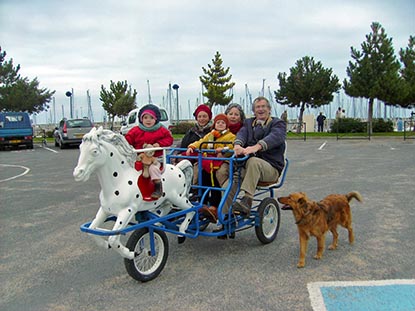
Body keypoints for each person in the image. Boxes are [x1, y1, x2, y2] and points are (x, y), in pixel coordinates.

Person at [223, 96, 286, 218]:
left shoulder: (277, 123)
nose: (260, 109)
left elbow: (275, 137)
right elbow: (242, 133)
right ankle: (225, 219)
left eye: (263, 106)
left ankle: (247, 200)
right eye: (258, 107)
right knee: (227, 187)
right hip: (248, 168)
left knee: (253, 161)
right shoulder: (249, 123)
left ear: (269, 109)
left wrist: (256, 147)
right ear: (254, 110)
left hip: (271, 168)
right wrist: (237, 145)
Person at [186, 113, 236, 222]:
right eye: (218, 122)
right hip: (208, 163)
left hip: (219, 163)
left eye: (223, 123)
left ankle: (215, 205)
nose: (220, 124)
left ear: (227, 125)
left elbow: (233, 145)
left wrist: (223, 149)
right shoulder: (210, 135)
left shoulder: (230, 135)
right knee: (203, 178)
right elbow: (201, 142)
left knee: (216, 184)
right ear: (214, 124)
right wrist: (192, 146)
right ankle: (202, 202)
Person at [125, 104, 174, 199]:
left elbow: (169, 139)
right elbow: (127, 140)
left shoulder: (161, 130)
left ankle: (158, 187)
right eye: (145, 117)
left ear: (156, 119)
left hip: (155, 158)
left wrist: (158, 144)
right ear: (141, 119)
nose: (148, 120)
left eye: (151, 118)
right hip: (139, 158)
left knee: (153, 169)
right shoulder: (135, 130)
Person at [215, 103, 246, 187]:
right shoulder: (219, 128)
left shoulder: (244, 130)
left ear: (240, 117)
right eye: (230, 114)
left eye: (236, 114)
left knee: (222, 172)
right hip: (218, 158)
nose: (233, 116)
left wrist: (225, 153)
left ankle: (226, 195)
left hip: (235, 160)